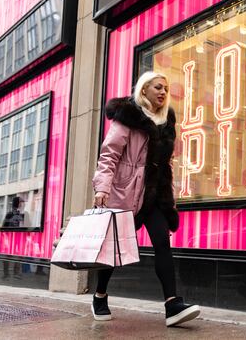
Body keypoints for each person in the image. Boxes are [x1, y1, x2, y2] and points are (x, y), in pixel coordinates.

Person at [91, 71, 200, 326]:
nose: (163, 92)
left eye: (166, 88)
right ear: (143, 91)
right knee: (113, 249)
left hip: (154, 194)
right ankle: (99, 295)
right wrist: (102, 188)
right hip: (125, 192)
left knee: (162, 241)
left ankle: (172, 305)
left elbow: (163, 163)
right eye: (157, 87)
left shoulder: (165, 120)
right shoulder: (127, 117)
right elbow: (109, 155)